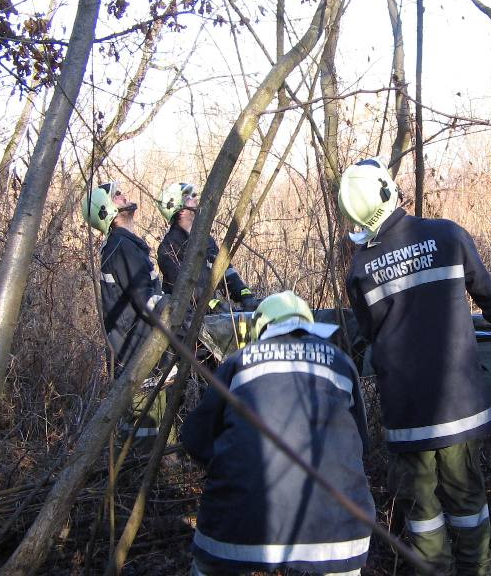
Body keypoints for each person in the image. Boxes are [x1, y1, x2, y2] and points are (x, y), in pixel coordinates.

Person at [337, 158, 491, 575]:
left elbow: (367, 333)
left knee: (423, 516)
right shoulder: (448, 235)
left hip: (408, 416)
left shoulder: (360, 270)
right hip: (460, 407)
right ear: (389, 189)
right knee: (469, 505)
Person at [181, 291, 374, 576]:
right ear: (308, 323)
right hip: (338, 533)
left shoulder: (239, 362)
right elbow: (361, 443)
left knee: (208, 566)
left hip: (235, 527)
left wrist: (231, 464)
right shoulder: (341, 363)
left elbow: (196, 440)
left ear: (262, 327)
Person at [81, 181, 173, 449]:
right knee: (146, 434)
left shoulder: (125, 245)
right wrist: (180, 312)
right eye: (116, 196)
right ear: (104, 210)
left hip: (140, 349)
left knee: (151, 428)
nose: (124, 196)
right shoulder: (122, 247)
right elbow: (147, 301)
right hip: (138, 354)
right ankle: (146, 485)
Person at [156, 182, 260, 314]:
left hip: (210, 313)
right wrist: (213, 305)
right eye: (189, 197)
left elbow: (224, 269)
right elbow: (184, 289)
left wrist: (245, 296)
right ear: (179, 210)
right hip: (186, 320)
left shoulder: (205, 239)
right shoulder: (168, 248)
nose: (195, 198)